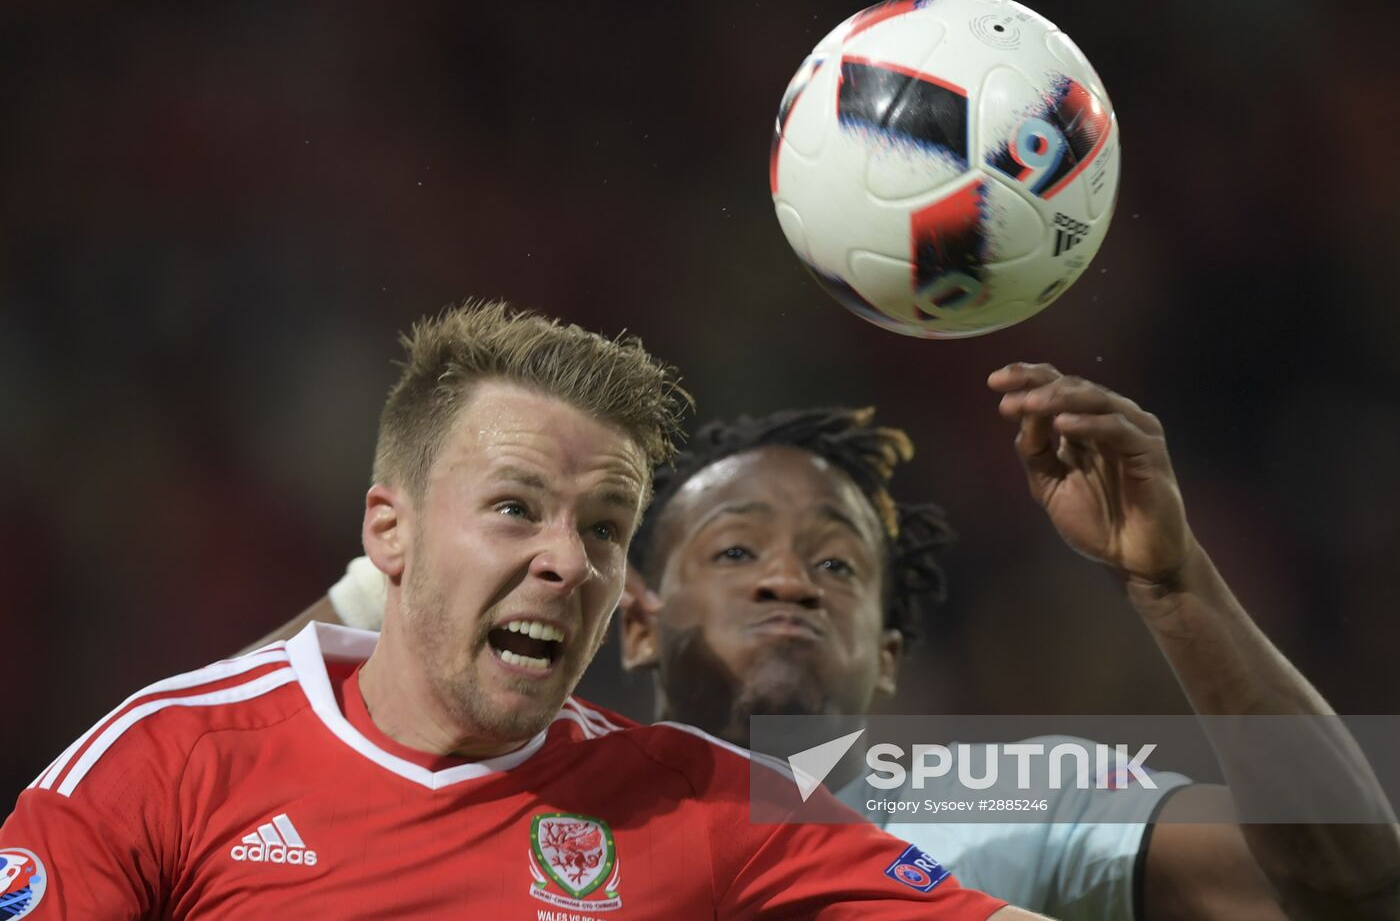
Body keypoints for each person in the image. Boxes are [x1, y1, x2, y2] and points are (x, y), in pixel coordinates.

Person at [0, 301, 1045, 920]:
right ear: (388, 532)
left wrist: (1169, 584)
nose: (567, 561)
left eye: (602, 526)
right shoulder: (169, 763)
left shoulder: (709, 810)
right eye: (513, 509)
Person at [283, 367, 1400, 920]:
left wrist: (1170, 584)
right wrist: (391, 587)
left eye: (835, 564)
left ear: (886, 655)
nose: (786, 578)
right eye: (731, 554)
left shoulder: (992, 795)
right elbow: (230, 761)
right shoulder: (529, 800)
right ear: (631, 619)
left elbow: (1351, 882)